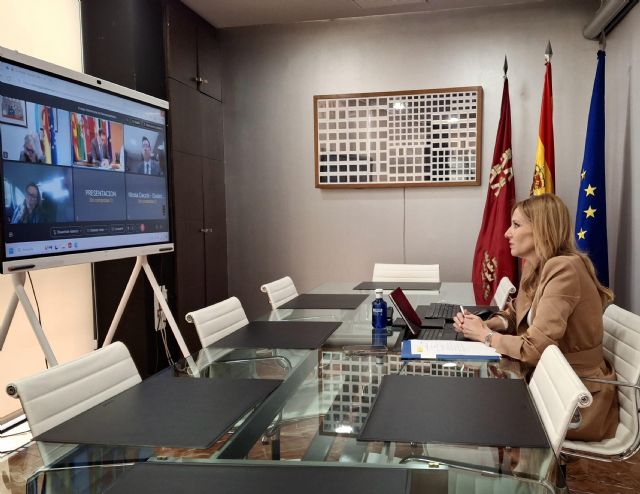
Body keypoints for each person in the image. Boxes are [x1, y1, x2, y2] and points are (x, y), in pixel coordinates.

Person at [453, 193, 618, 441]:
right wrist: (486, 324)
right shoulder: (537, 265)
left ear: (542, 229)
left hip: (575, 396)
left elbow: (535, 349)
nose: (507, 233)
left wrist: (486, 336)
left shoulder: (564, 269)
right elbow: (516, 314)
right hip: (546, 381)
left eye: (516, 225)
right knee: (475, 402)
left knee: (476, 412)